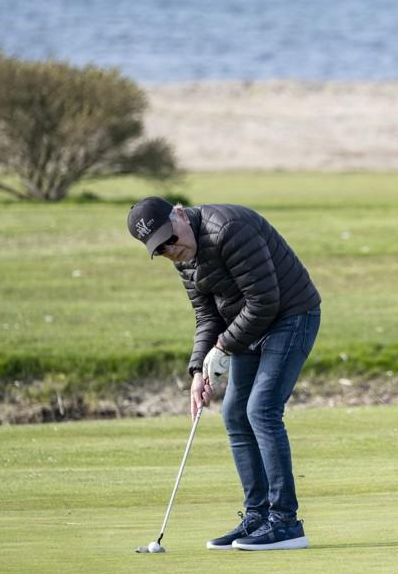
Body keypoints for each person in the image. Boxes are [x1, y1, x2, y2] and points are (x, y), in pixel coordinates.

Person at [127, 196, 321, 550]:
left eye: (171, 238)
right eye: (161, 248)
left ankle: (286, 523)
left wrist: (223, 348)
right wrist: (199, 368)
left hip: (292, 316)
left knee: (260, 410)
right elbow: (206, 316)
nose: (172, 250)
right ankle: (257, 517)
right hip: (245, 326)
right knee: (234, 414)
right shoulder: (183, 258)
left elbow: (265, 301)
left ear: (180, 214)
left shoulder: (229, 230)